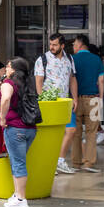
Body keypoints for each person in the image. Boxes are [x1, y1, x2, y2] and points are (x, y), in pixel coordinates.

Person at [0, 57, 39, 207]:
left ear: (14, 69)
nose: (6, 69)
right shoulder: (28, 83)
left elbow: (6, 99)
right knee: (17, 162)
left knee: (18, 163)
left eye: (7, 66)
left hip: (15, 128)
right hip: (30, 129)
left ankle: (21, 198)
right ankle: (16, 194)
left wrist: (2, 118)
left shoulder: (9, 83)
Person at [34, 32, 79, 175]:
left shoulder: (69, 59)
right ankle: (49, 163)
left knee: (71, 130)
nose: (52, 47)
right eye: (50, 44)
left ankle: (60, 160)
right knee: (50, 134)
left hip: (65, 101)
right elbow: (38, 81)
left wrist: (75, 98)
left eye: (55, 45)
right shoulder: (42, 59)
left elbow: (72, 79)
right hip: (49, 101)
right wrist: (42, 100)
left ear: (62, 45)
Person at [71, 34, 104, 172]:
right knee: (92, 133)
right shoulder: (96, 59)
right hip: (93, 99)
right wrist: (100, 98)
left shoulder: (72, 59)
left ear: (80, 44)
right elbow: (101, 81)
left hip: (75, 100)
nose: (73, 47)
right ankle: (89, 163)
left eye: (74, 44)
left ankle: (76, 162)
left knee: (76, 132)